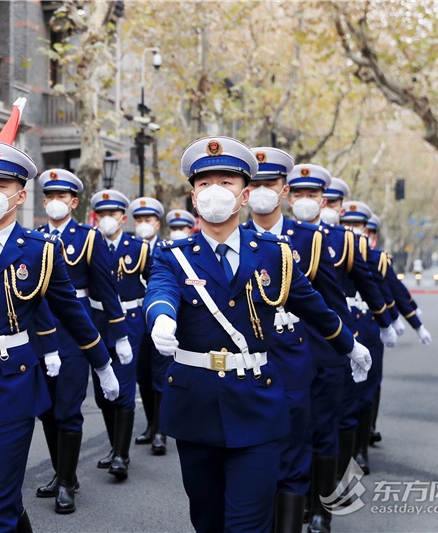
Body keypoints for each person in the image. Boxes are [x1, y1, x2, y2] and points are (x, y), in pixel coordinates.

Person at [144, 136, 371, 533]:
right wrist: (161, 319)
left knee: (249, 523)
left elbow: (314, 306)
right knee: (207, 519)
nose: (215, 190)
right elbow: (160, 291)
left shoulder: (273, 253)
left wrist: (350, 345)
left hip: (256, 402)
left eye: (226, 182)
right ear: (193, 198)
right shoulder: (171, 254)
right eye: (205, 183)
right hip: (195, 402)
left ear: (245, 194)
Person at [0, 140, 120, 532]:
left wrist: (102, 363)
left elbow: (72, 313)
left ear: (19, 194)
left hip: (12, 387)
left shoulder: (39, 250)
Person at [243, 147, 357, 533]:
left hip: (305, 355)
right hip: (251, 358)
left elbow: (330, 303)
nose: (260, 190)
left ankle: (319, 511)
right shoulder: (234, 238)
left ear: (282, 189)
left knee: (307, 439)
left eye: (268, 183)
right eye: (253, 183)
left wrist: (342, 352)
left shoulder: (308, 239)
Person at [287, 171, 395, 533]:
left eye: (315, 194)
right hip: (280, 348)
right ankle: (295, 500)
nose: (305, 199)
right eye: (297, 191)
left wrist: (353, 341)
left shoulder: (338, 241)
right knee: (290, 432)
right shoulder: (269, 238)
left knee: (326, 425)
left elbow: (338, 299)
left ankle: (321, 508)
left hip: (323, 346)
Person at [33, 168, 127, 514]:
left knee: (68, 407)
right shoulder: (34, 238)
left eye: (62, 197)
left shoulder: (88, 238)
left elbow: (106, 288)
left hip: (75, 331)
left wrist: (118, 334)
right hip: (40, 333)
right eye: (50, 197)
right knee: (46, 409)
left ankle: (68, 481)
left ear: (74, 202)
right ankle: (60, 472)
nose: (55, 202)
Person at [340, 204, 432, 474]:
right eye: (348, 224)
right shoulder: (328, 253)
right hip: (341, 333)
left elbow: (394, 292)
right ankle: (340, 455)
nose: (354, 232)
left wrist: (412, 322)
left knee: (366, 392)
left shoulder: (377, 259)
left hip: (369, 332)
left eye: (360, 228)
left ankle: (360, 450)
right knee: (339, 396)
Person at [89, 189, 153, 480]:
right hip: (98, 320)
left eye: (112, 215)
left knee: (125, 385)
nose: (106, 220)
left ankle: (122, 455)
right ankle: (114, 445)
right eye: (101, 215)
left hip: (129, 321)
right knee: (104, 389)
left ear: (123, 218)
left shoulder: (138, 247)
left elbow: (156, 283)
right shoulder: (89, 244)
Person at [129, 196, 171, 455]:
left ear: (157, 224)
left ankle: (161, 430)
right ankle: (149, 424)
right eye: (139, 220)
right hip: (137, 322)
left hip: (161, 320)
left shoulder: (166, 249)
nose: (143, 224)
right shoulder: (131, 248)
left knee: (160, 376)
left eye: (148, 220)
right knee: (143, 376)